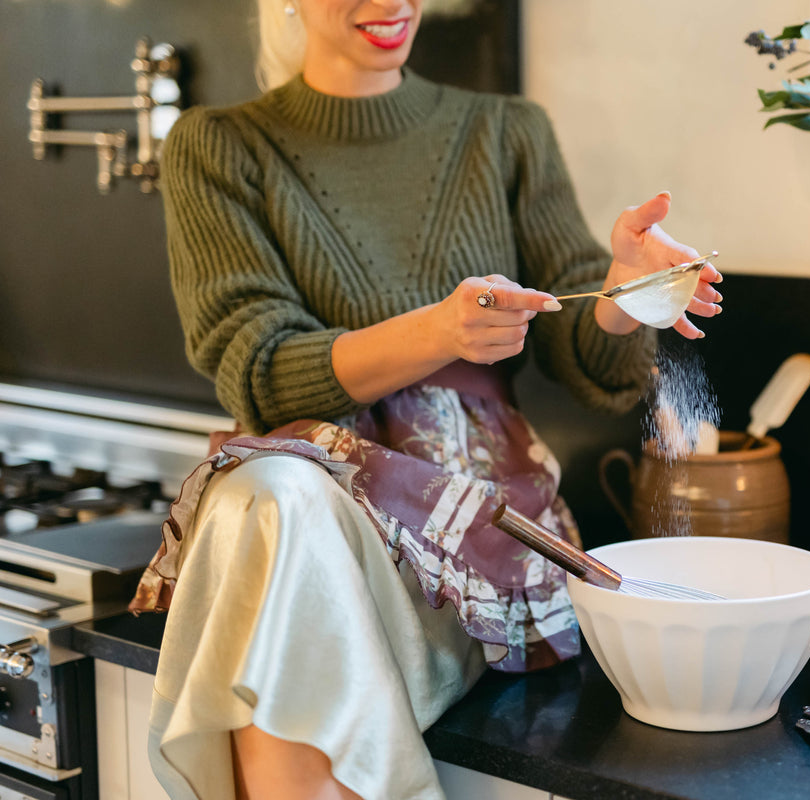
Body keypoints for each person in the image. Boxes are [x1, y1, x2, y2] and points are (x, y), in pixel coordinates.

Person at [130, 0, 722, 798]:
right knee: (273, 489)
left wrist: (621, 299)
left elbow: (592, 364)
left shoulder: (506, 131)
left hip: (465, 539)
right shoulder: (218, 147)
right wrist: (439, 332)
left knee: (262, 506)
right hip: (312, 515)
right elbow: (258, 371)